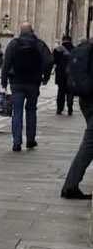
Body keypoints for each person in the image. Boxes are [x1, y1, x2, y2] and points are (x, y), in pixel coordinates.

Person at [0, 21, 53, 152]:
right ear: (32, 31)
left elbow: (6, 63)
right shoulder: (39, 44)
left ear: (20, 31)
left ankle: (16, 142)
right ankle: (30, 140)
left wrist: (4, 81)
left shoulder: (13, 44)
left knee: (16, 111)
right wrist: (45, 77)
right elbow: (49, 61)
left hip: (16, 82)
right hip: (33, 82)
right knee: (31, 110)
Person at [61, 37, 93, 197]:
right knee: (89, 145)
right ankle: (70, 185)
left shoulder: (84, 50)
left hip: (85, 101)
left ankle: (71, 185)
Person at [53, 34, 75, 115]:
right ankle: (70, 108)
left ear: (63, 40)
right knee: (70, 91)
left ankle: (59, 109)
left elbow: (54, 61)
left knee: (61, 91)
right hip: (71, 74)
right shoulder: (74, 49)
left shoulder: (57, 49)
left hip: (60, 74)